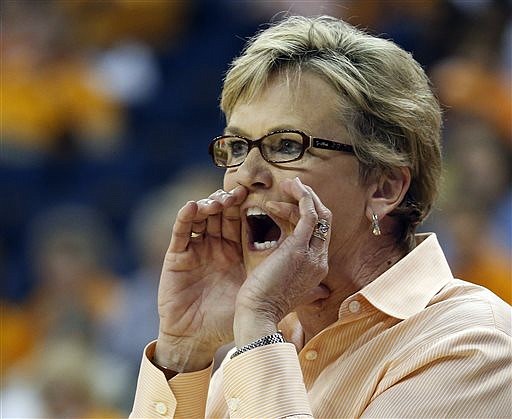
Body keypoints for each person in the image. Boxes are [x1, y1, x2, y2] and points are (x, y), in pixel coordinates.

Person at [130, 15, 511, 418]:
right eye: (238, 146)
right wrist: (184, 348)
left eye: (286, 145)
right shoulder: (262, 346)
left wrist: (258, 330)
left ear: (384, 187)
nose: (246, 175)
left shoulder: (473, 345)